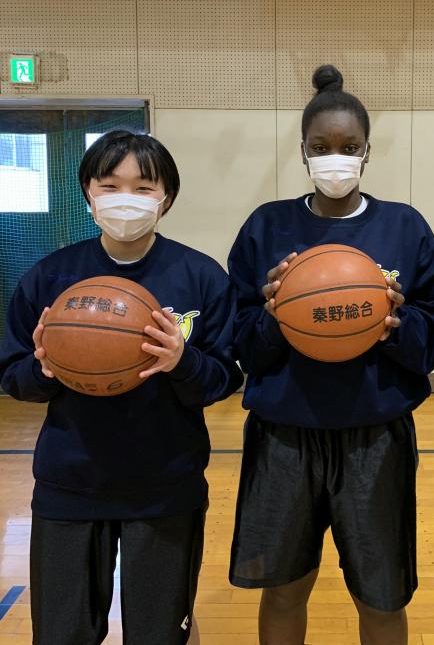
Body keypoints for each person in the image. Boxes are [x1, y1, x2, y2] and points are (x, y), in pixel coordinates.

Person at [227, 65, 434, 645]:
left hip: (375, 435)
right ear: (303, 152)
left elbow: (433, 342)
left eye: (348, 147)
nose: (335, 158)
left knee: (380, 596)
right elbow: (242, 342)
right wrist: (275, 319)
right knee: (283, 588)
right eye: (321, 148)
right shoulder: (266, 227)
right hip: (285, 435)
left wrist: (396, 323)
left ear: (367, 151)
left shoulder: (404, 226)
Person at [0, 130, 243, 645]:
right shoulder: (51, 276)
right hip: (70, 485)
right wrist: (43, 369)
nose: (125, 199)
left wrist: (183, 361)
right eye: (110, 185)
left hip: (165, 486)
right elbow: (11, 373)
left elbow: (224, 379)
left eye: (143, 186)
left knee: (159, 634)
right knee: (62, 635)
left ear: (167, 197)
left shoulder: (201, 276)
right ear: (88, 192)